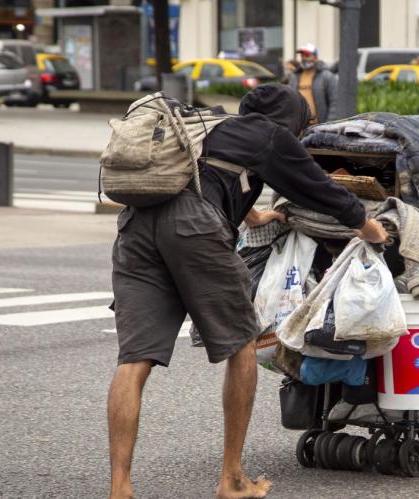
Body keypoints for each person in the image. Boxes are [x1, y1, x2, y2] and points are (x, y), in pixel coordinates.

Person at [107, 84, 387, 499]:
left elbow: (205, 175)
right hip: (194, 229)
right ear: (292, 119)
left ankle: (120, 488)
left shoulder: (216, 126)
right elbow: (320, 190)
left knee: (134, 360)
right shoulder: (273, 136)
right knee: (242, 346)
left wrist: (253, 215)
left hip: (136, 227)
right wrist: (368, 226)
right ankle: (232, 479)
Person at [285, 43, 338, 125]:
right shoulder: (294, 77)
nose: (304, 58)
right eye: (302, 55)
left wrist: (328, 124)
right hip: (300, 127)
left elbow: (334, 102)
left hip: (319, 126)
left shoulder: (327, 76)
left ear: (316, 57)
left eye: (307, 55)